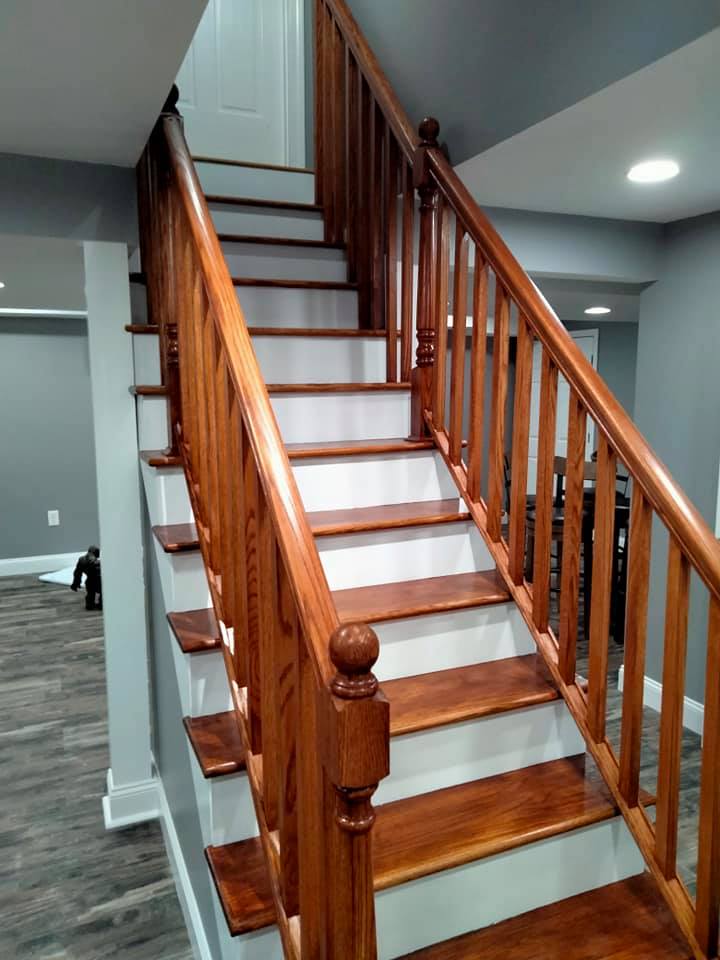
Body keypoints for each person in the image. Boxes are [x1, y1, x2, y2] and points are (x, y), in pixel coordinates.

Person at [71, 546, 102, 611]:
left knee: (90, 594)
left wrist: (76, 583)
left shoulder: (81, 560)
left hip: (90, 581)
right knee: (102, 594)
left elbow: (77, 573)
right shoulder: (98, 563)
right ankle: (100, 605)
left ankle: (90, 605)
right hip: (99, 581)